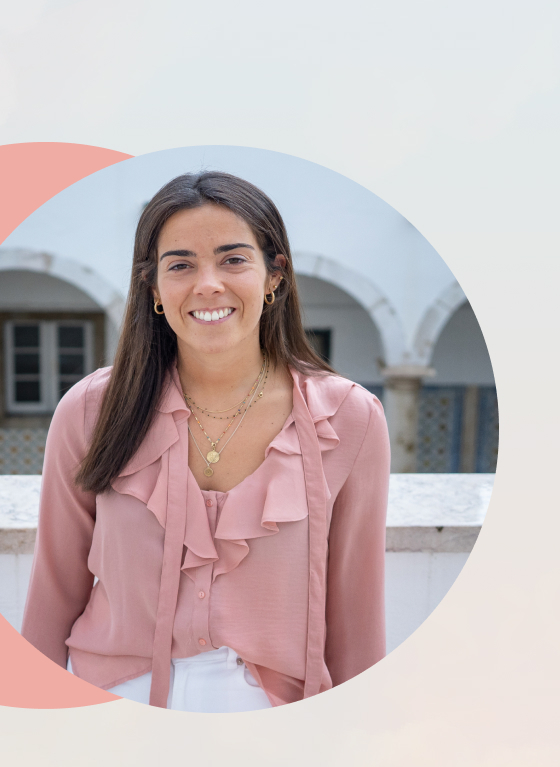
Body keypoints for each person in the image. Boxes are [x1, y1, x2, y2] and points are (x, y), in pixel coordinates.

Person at [20, 171, 390, 711]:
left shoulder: (350, 418)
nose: (208, 284)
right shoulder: (92, 410)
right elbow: (53, 589)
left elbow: (357, 617)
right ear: (153, 288)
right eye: (181, 265)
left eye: (233, 259)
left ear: (274, 276)